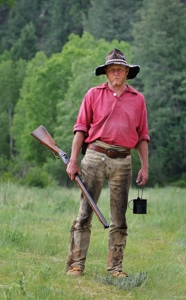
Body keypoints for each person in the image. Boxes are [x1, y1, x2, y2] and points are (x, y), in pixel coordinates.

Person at [66, 48, 150, 277]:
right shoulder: (92, 94)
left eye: (120, 69)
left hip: (123, 161)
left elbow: (143, 136)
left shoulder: (138, 99)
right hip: (93, 156)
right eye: (112, 69)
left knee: (119, 219)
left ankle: (115, 268)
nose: (116, 73)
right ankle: (76, 264)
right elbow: (80, 129)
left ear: (126, 72)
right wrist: (73, 161)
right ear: (106, 72)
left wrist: (145, 166)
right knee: (84, 213)